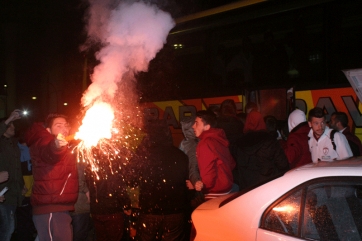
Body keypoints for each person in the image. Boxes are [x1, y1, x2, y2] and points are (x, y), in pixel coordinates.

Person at [129, 119, 189, 241]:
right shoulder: (180, 155)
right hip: (175, 211)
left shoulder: (144, 155)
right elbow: (185, 181)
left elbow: (131, 180)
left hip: (150, 211)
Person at [24, 113, 78, 241]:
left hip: (59, 208)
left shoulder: (66, 144)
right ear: (48, 130)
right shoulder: (43, 140)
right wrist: (56, 146)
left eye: (66, 125)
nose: (64, 129)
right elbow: (49, 152)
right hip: (50, 209)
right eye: (58, 126)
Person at [236, 109, 289, 191]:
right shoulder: (270, 141)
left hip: (246, 189)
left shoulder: (239, 143)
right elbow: (283, 164)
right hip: (267, 186)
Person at [86, 148, 131, 241]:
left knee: (101, 237)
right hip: (112, 210)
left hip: (96, 210)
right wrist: (127, 205)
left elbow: (89, 185)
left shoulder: (90, 163)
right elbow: (118, 187)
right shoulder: (112, 165)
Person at [192, 110, 236, 199]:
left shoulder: (205, 143)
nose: (193, 126)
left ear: (207, 127)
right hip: (227, 188)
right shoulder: (219, 139)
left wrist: (203, 185)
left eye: (196, 123)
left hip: (215, 192)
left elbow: (208, 171)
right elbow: (232, 164)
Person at [0, 110, 26, 241]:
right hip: (2, 193)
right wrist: (9, 119)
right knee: (7, 228)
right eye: (11, 125)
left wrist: (22, 186)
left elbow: (16, 169)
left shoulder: (13, 144)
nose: (14, 128)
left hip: (12, 194)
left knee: (9, 228)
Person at [71, 161, 92, 241]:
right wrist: (87, 191)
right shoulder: (79, 160)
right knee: (79, 235)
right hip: (80, 204)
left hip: (75, 204)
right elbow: (78, 180)